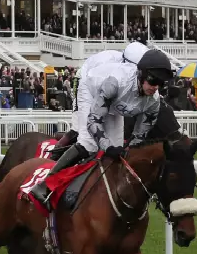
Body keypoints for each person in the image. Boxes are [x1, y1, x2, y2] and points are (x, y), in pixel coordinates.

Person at [28, 48, 173, 206]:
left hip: (115, 103)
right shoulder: (116, 82)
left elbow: (139, 136)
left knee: (118, 151)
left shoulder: (154, 102)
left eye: (160, 83)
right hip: (90, 90)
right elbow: (93, 121)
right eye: (153, 80)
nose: (155, 87)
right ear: (141, 74)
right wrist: (106, 146)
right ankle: (45, 185)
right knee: (89, 144)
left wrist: (126, 150)